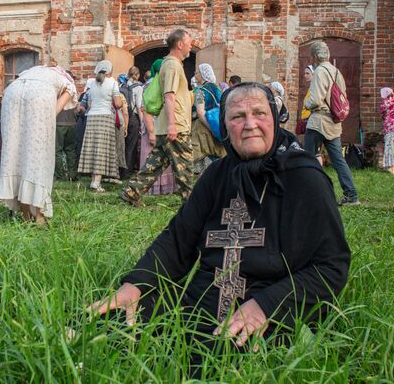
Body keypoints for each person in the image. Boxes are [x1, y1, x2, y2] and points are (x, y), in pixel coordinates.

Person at [90, 82, 351, 370]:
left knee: (214, 358)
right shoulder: (217, 175)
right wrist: (135, 284)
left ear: (274, 120)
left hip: (270, 301)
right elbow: (178, 241)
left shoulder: (304, 177)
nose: (250, 124)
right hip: (205, 293)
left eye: (259, 113)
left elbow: (331, 266)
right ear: (224, 127)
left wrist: (266, 306)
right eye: (238, 117)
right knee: (103, 322)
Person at [121, 29, 194, 206]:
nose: (191, 46)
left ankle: (132, 192)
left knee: (155, 164)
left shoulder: (170, 64)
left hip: (167, 124)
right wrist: (172, 126)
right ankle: (192, 203)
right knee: (185, 165)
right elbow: (169, 95)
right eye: (189, 42)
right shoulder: (173, 65)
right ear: (180, 44)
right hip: (175, 124)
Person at [0, 65, 77, 225]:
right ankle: (39, 216)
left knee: (16, 155)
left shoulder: (34, 71)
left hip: (12, 91)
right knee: (38, 157)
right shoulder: (69, 84)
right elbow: (53, 113)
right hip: (40, 95)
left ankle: (26, 215)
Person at [304, 41, 360, 206]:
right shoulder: (336, 72)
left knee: (307, 158)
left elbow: (314, 100)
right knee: (338, 160)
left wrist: (306, 104)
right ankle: (351, 195)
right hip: (334, 122)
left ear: (314, 56)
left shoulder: (320, 71)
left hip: (318, 120)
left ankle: (309, 193)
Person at [77, 60, 123, 192]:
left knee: (92, 149)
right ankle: (96, 182)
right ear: (109, 71)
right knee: (101, 150)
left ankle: (94, 179)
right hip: (105, 118)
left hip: (91, 118)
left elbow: (83, 104)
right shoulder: (113, 83)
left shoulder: (90, 83)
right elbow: (118, 103)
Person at [139, 59, 177, 195]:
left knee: (163, 157)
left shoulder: (164, 84)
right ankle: (148, 188)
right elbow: (145, 109)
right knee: (152, 157)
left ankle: (164, 188)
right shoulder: (151, 85)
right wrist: (151, 131)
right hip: (154, 126)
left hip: (162, 126)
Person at [192, 63, 227, 173]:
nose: (195, 74)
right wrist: (217, 129)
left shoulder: (199, 92)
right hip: (218, 124)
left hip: (203, 128)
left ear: (203, 75)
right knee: (216, 157)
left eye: (197, 72)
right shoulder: (217, 88)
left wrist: (212, 129)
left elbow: (200, 112)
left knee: (205, 159)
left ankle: (204, 185)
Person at [123, 66, 145, 179]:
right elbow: (139, 106)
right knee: (131, 145)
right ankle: (128, 171)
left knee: (123, 144)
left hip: (122, 117)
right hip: (133, 118)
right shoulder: (138, 88)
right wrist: (142, 123)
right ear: (136, 75)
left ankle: (121, 170)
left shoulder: (122, 85)